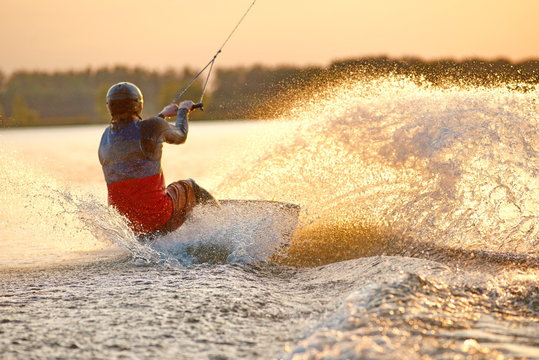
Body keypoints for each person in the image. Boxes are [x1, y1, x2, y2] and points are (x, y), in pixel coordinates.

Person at [98, 82, 218, 239]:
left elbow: (137, 133)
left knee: (168, 190)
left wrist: (162, 115)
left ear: (110, 106)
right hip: (159, 219)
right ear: (138, 104)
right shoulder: (153, 127)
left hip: (129, 229)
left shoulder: (105, 137)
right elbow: (180, 135)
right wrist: (183, 110)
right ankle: (221, 224)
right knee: (191, 187)